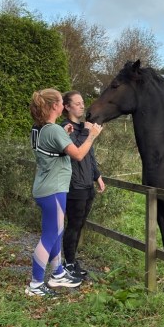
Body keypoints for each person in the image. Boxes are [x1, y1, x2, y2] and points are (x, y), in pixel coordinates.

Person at [27, 88, 103, 296]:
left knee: (56, 231)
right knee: (50, 236)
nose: (63, 106)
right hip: (53, 189)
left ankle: (58, 273)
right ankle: (35, 284)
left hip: (46, 187)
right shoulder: (54, 130)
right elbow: (78, 154)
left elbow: (52, 149)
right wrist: (91, 136)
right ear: (55, 106)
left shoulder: (40, 128)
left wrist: (65, 135)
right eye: (61, 102)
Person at [60, 91, 105, 279]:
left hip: (87, 184)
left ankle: (72, 261)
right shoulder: (65, 129)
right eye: (77, 103)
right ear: (67, 107)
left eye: (82, 103)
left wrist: (97, 175)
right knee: (73, 225)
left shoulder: (83, 127)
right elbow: (77, 151)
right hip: (74, 185)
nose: (82, 106)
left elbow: (89, 154)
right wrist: (88, 133)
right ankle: (68, 263)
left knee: (80, 225)